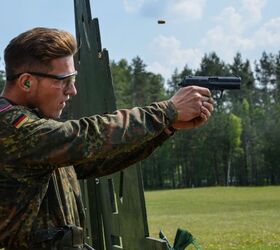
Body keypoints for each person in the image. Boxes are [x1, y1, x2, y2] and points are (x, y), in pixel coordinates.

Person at [0, 27, 214, 250]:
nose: (72, 90)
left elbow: (97, 158)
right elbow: (84, 136)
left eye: (73, 79)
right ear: (26, 82)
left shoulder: (37, 135)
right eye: (64, 80)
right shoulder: (11, 127)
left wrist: (166, 128)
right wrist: (166, 111)